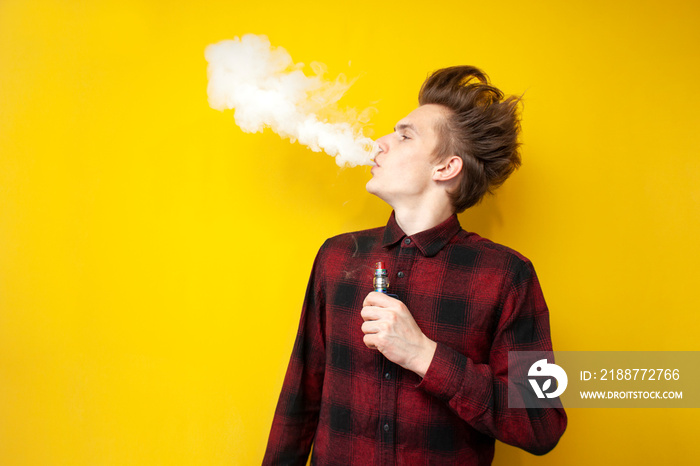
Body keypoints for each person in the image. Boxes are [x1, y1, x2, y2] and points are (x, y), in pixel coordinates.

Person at [263, 66, 567, 465]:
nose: (380, 143)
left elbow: (540, 421)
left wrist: (424, 355)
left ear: (446, 167)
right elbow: (300, 397)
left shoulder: (506, 276)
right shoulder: (338, 257)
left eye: (405, 135)